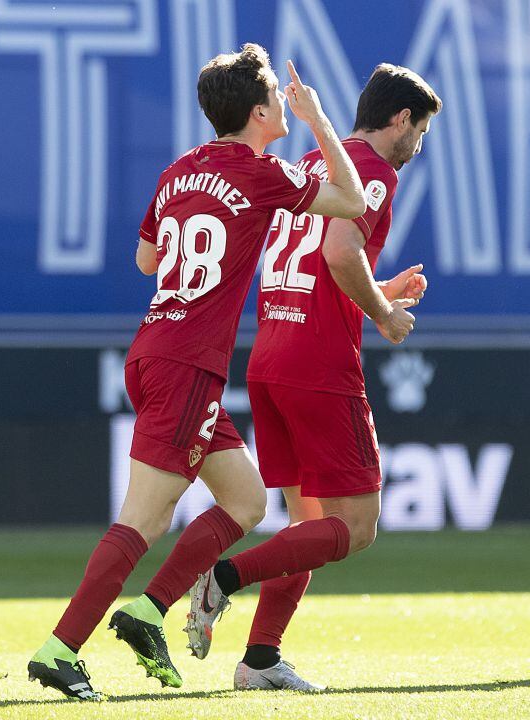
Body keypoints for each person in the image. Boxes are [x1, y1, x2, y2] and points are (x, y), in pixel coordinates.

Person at [26, 44, 366, 701]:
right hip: (188, 367)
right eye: (279, 96)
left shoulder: (181, 169)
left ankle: (149, 611)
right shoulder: (263, 172)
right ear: (263, 109)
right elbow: (351, 199)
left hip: (155, 350)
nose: (285, 103)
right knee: (143, 521)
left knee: (246, 499)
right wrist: (320, 119)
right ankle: (60, 649)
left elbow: (147, 261)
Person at [184, 64, 441, 690]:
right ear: (401, 119)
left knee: (307, 526)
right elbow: (336, 253)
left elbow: (312, 266)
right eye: (421, 130)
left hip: (272, 356)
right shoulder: (371, 173)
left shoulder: (309, 161)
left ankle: (261, 659)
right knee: (354, 529)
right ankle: (224, 578)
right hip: (320, 366)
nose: (419, 146)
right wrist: (381, 313)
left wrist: (375, 290)